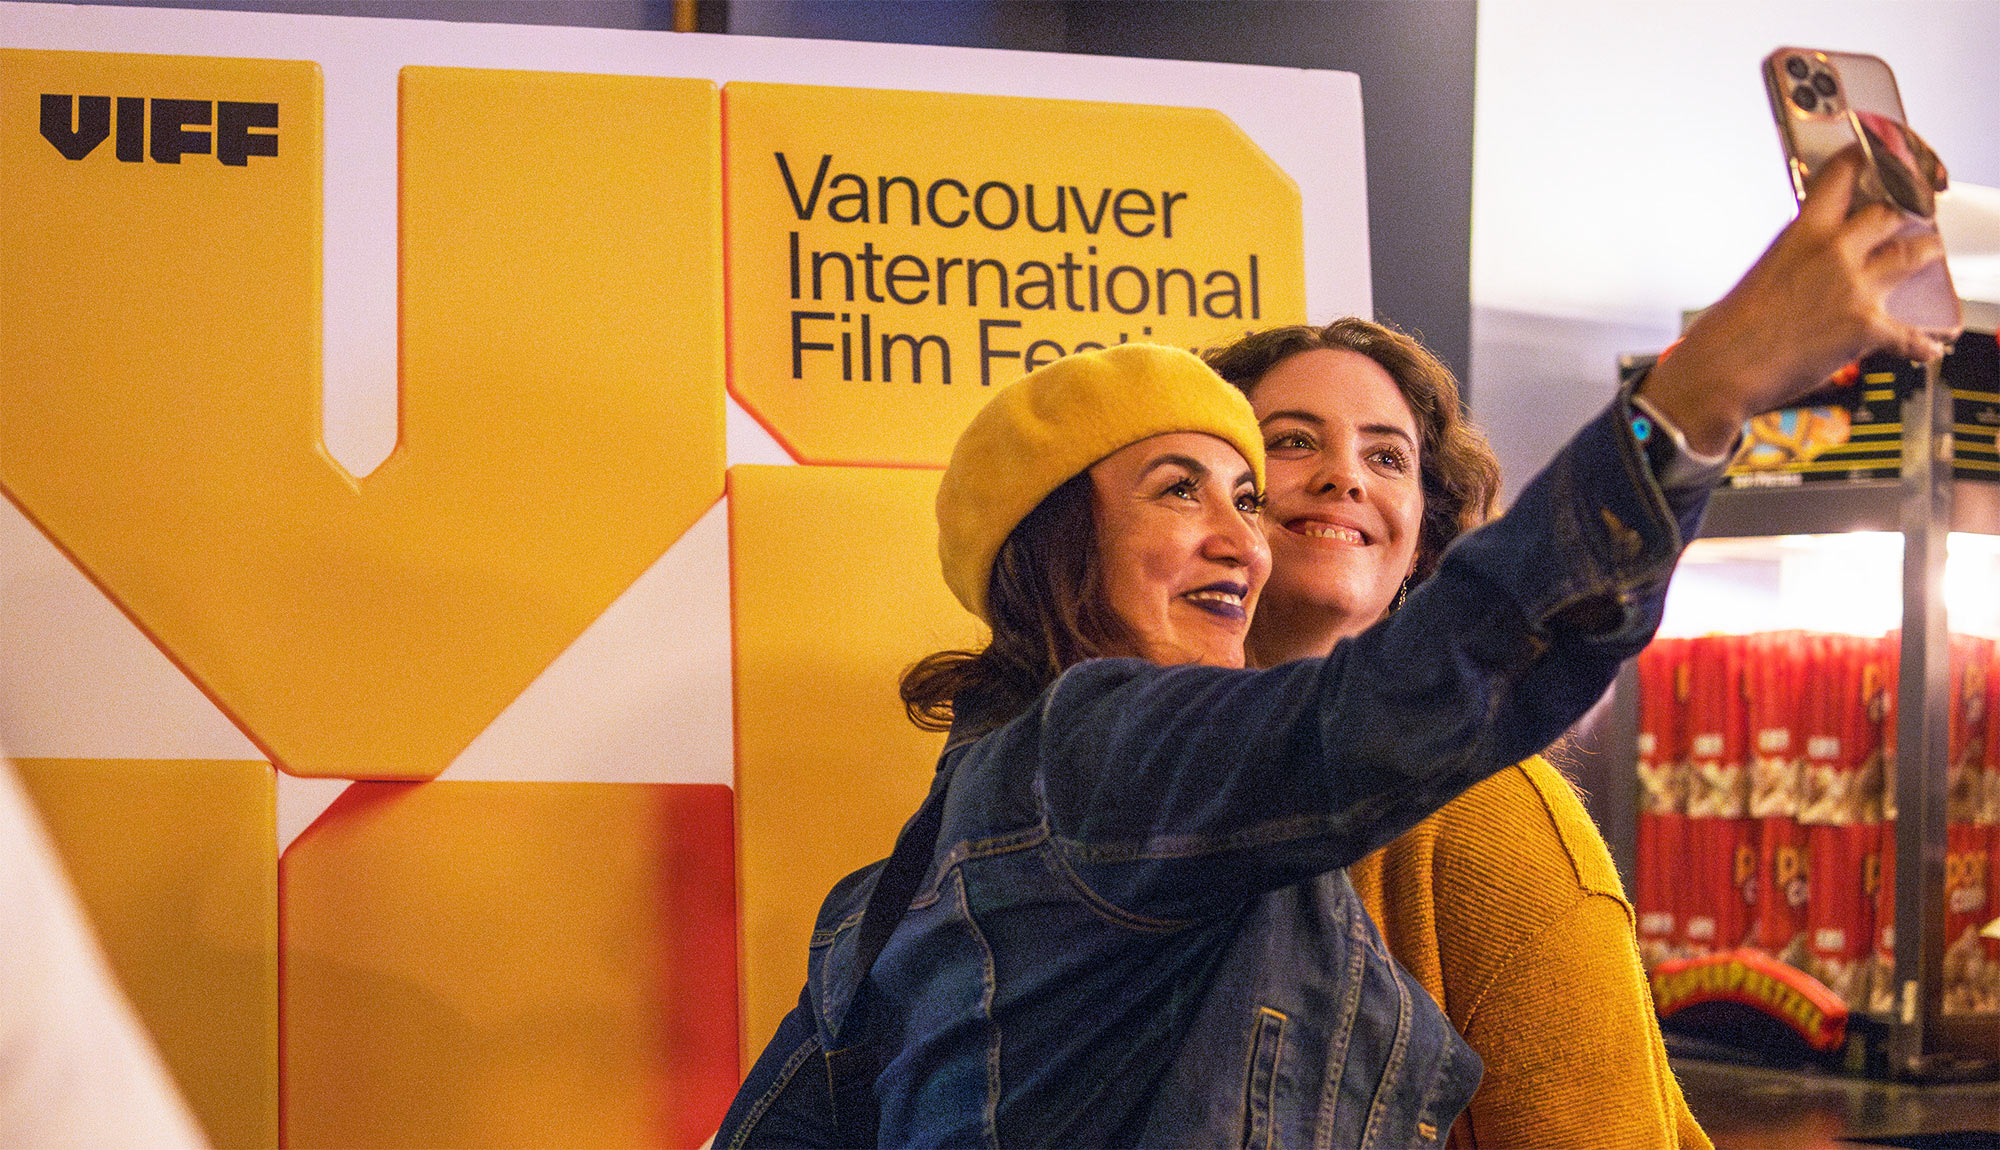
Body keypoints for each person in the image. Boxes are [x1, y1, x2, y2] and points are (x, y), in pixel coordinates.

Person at [712, 146, 1944, 1148]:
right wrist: (1707, 386)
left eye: (1246, 494)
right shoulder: (1090, 759)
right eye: (1189, 486)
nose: (1245, 533)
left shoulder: (907, 875)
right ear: (1053, 544)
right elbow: (1404, 700)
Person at [1205, 317, 1710, 1148]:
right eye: (1292, 441)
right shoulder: (1150, 765)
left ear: (1422, 541)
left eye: (1386, 457)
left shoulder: (1495, 818)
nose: (1343, 476)